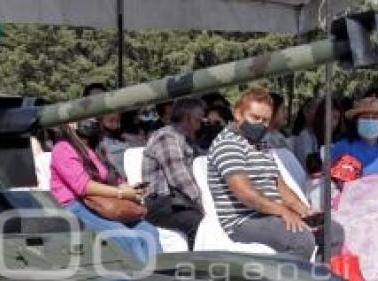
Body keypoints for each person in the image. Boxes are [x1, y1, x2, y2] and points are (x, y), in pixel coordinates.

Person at [207, 87, 318, 259]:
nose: (260, 124)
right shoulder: (228, 143)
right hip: (244, 220)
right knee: (301, 241)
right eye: (255, 118)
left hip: (269, 213)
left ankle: (320, 278)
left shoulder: (261, 142)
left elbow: (278, 184)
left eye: (265, 120)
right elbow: (245, 194)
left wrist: (303, 210)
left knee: (332, 232)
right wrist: (283, 211)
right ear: (238, 114)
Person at [50, 119, 162, 264]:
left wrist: (128, 188)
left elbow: (112, 178)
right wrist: (120, 193)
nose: (92, 121)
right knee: (128, 239)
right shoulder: (62, 148)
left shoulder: (95, 148)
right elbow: (83, 186)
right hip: (75, 207)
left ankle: (161, 279)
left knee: (149, 232)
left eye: (94, 117)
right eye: (86, 118)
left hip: (103, 204)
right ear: (70, 124)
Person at [141, 97, 207, 249]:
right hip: (162, 202)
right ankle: (195, 266)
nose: (202, 117)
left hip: (180, 200)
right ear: (188, 115)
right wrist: (202, 204)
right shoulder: (167, 136)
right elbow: (179, 178)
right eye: (199, 114)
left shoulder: (187, 139)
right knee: (199, 224)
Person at [291, 97, 321, 166]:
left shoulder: (313, 134)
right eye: (317, 109)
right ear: (305, 111)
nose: (319, 113)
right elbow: (308, 164)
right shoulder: (303, 135)